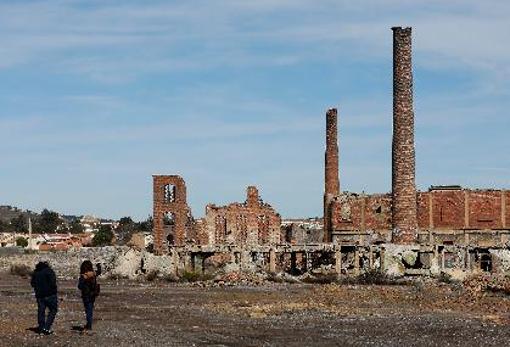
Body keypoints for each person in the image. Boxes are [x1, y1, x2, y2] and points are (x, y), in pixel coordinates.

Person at [30, 261, 58, 335]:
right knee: (53, 310)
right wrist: (54, 290)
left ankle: (41, 328)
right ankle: (46, 327)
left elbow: (32, 284)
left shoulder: (35, 273)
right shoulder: (49, 271)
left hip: (39, 295)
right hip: (50, 295)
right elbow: (53, 282)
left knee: (41, 311)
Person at [78, 260, 100, 332]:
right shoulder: (93, 274)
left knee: (88, 310)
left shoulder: (83, 276)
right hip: (93, 294)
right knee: (90, 309)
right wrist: (98, 266)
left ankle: (89, 325)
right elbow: (99, 272)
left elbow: (79, 286)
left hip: (86, 295)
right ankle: (88, 324)